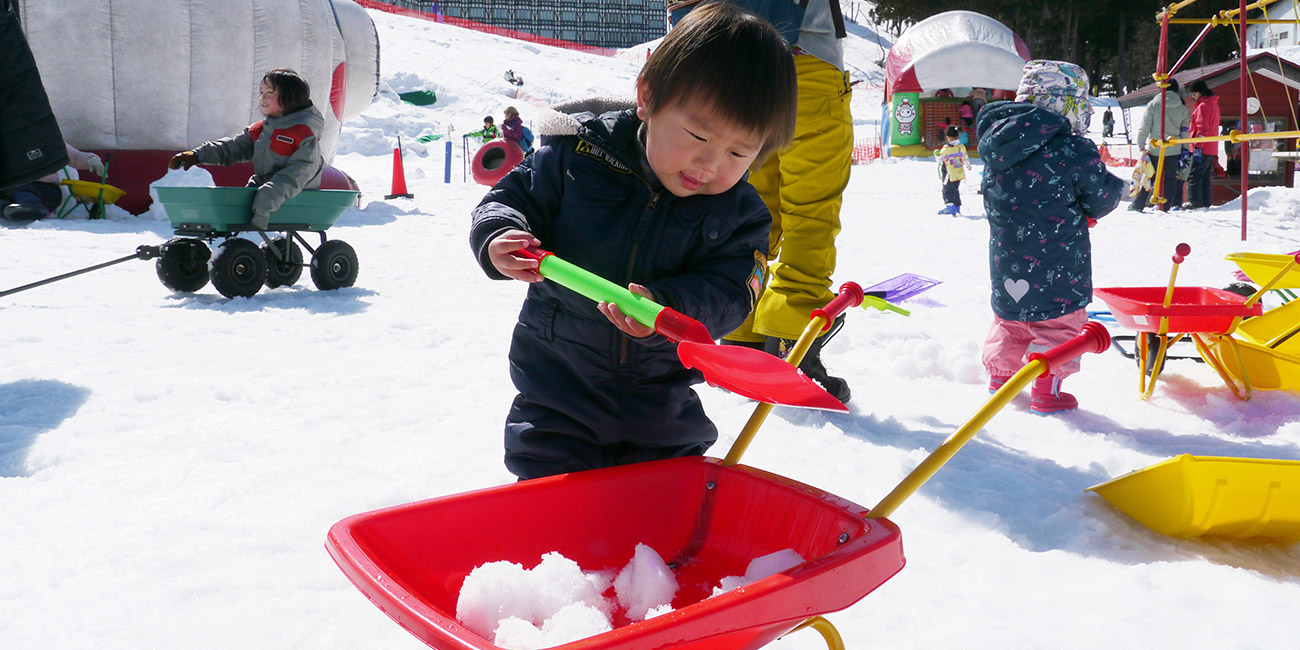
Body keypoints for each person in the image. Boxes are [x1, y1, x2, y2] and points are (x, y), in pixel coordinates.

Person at [468, 2, 797, 480]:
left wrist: (666, 307)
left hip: (660, 405)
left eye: (738, 152)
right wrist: (498, 235)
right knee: (554, 513)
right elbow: (510, 196)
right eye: (696, 135)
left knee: (659, 515)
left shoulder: (740, 216)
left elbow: (732, 292)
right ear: (647, 97)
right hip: (557, 393)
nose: (709, 165)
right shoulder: (575, 155)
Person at [681, 0, 855, 404]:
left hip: (738, 67)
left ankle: (740, 335)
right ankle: (793, 345)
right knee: (811, 211)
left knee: (753, 210)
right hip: (807, 57)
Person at [977, 60, 1124, 414]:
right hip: (1059, 260)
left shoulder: (1000, 146)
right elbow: (1100, 196)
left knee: (1011, 320)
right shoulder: (1072, 149)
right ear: (1070, 105)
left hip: (1007, 258)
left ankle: (1001, 378)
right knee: (1059, 323)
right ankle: (1048, 385)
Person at [168, 68, 324, 230]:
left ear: (290, 98)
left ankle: (244, 246)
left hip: (295, 193)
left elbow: (301, 170)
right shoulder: (263, 129)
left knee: (255, 197)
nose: (262, 98)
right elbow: (234, 147)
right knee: (238, 201)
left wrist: (270, 193)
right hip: (266, 190)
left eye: (269, 92)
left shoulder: (303, 132)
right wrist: (197, 155)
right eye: (261, 92)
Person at [2, 143, 104, 221]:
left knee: (26, 188)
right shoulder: (7, 139)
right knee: (11, 188)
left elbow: (75, 156)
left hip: (45, 187)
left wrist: (92, 159)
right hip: (12, 186)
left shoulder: (47, 138)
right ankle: (8, 206)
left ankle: (30, 206)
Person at [1130, 77, 1189, 212]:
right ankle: (1165, 207)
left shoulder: (1154, 104)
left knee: (1149, 176)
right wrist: (1185, 148)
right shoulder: (1182, 108)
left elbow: (1145, 126)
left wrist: (1141, 144)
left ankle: (1138, 204)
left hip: (1155, 147)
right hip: (1174, 148)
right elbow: (1185, 131)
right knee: (1170, 179)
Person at [1185, 79, 1221, 209]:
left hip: (1203, 147)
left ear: (1200, 92)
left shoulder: (1203, 107)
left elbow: (1202, 128)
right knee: (1204, 177)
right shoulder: (1213, 104)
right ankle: (1205, 202)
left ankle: (1194, 202)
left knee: (1194, 176)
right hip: (1211, 147)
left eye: (1194, 93)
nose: (1193, 96)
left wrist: (1198, 147)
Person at [935, 125, 969, 215]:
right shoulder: (961, 147)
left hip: (949, 173)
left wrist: (936, 156)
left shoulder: (946, 148)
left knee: (947, 189)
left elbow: (941, 159)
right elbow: (965, 157)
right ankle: (957, 207)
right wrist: (968, 166)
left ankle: (950, 207)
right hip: (958, 172)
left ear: (948, 137)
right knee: (955, 189)